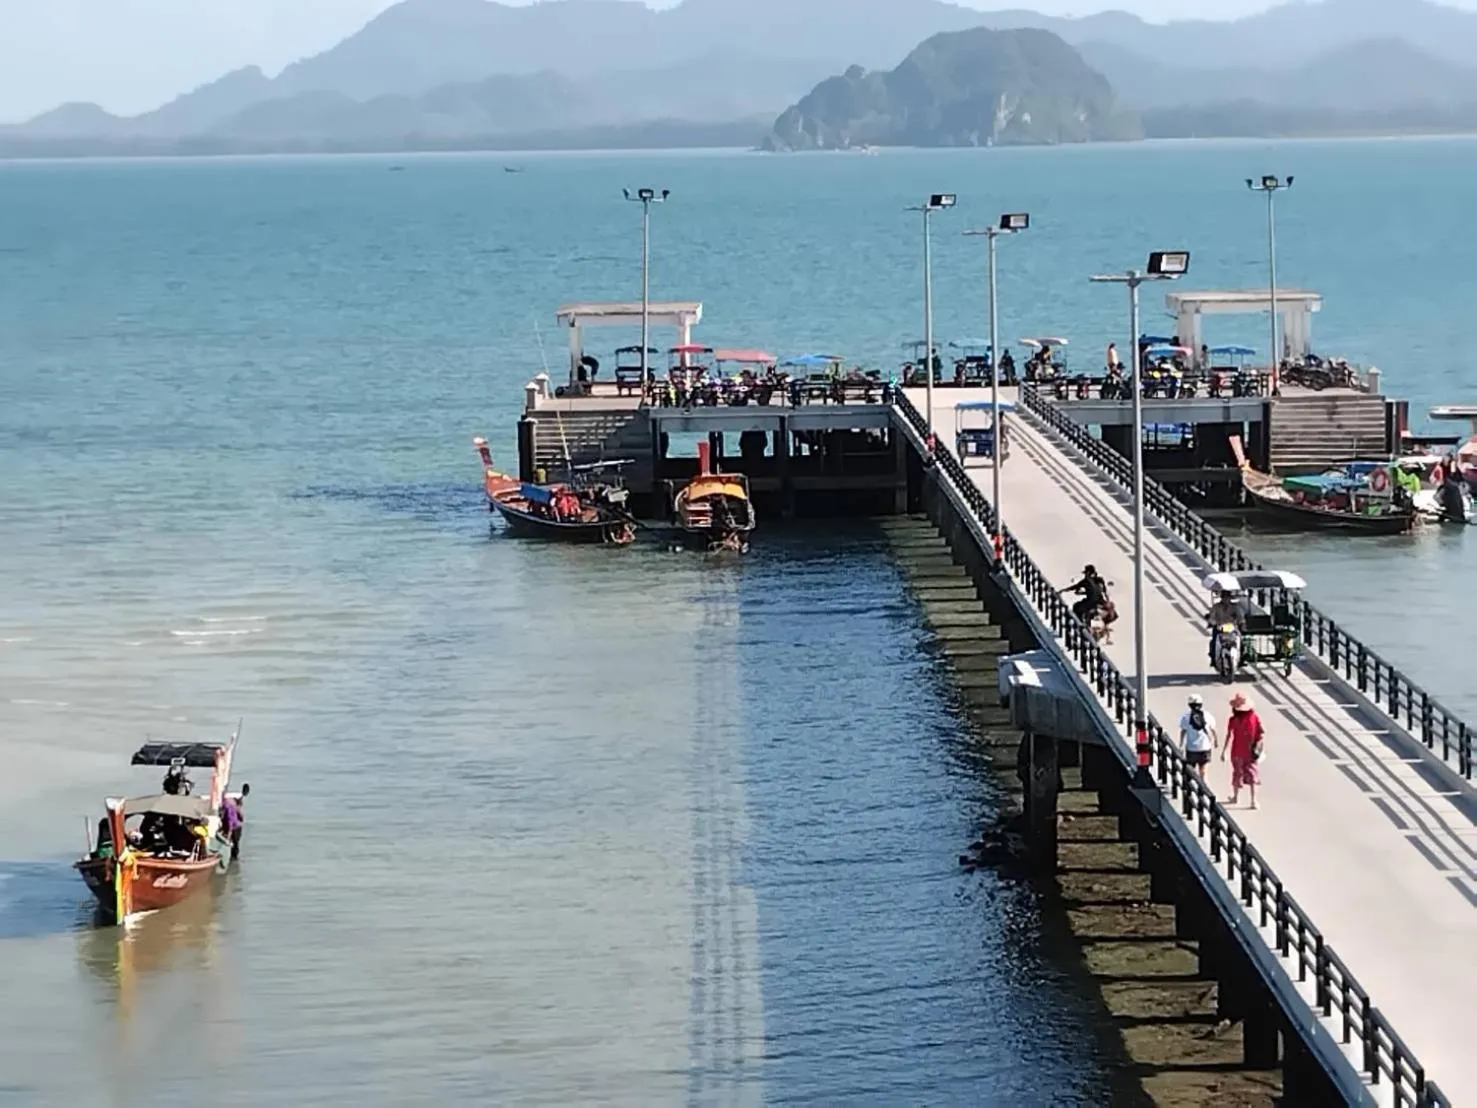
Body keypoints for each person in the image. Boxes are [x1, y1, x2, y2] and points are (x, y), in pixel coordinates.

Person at [1221, 692, 1265, 808]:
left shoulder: (1233, 720)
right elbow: (1262, 733)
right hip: (1251, 752)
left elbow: (1229, 735)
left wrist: (1224, 751)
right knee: (1253, 775)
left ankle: (1236, 797)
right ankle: (1254, 801)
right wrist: (1259, 745)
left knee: (1237, 774)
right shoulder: (1254, 717)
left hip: (1236, 751)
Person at [1178, 694, 1218, 782]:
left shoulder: (1186, 717)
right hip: (1205, 747)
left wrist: (1180, 745)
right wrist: (1215, 741)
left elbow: (1183, 731)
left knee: (1190, 772)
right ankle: (1204, 790)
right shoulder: (1208, 715)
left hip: (1191, 748)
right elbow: (1213, 730)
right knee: (1203, 771)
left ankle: (1188, 791)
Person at [1206, 589, 1246, 665]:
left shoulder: (1235, 607)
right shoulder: (1216, 607)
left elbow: (1240, 617)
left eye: (1228, 597)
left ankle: (1242, 658)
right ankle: (1213, 658)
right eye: (1224, 597)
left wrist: (1241, 622)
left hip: (1232, 627)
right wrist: (1213, 622)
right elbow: (1212, 617)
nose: (1226, 599)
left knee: (1240, 640)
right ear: (1221, 598)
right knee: (1213, 642)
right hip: (1220, 627)